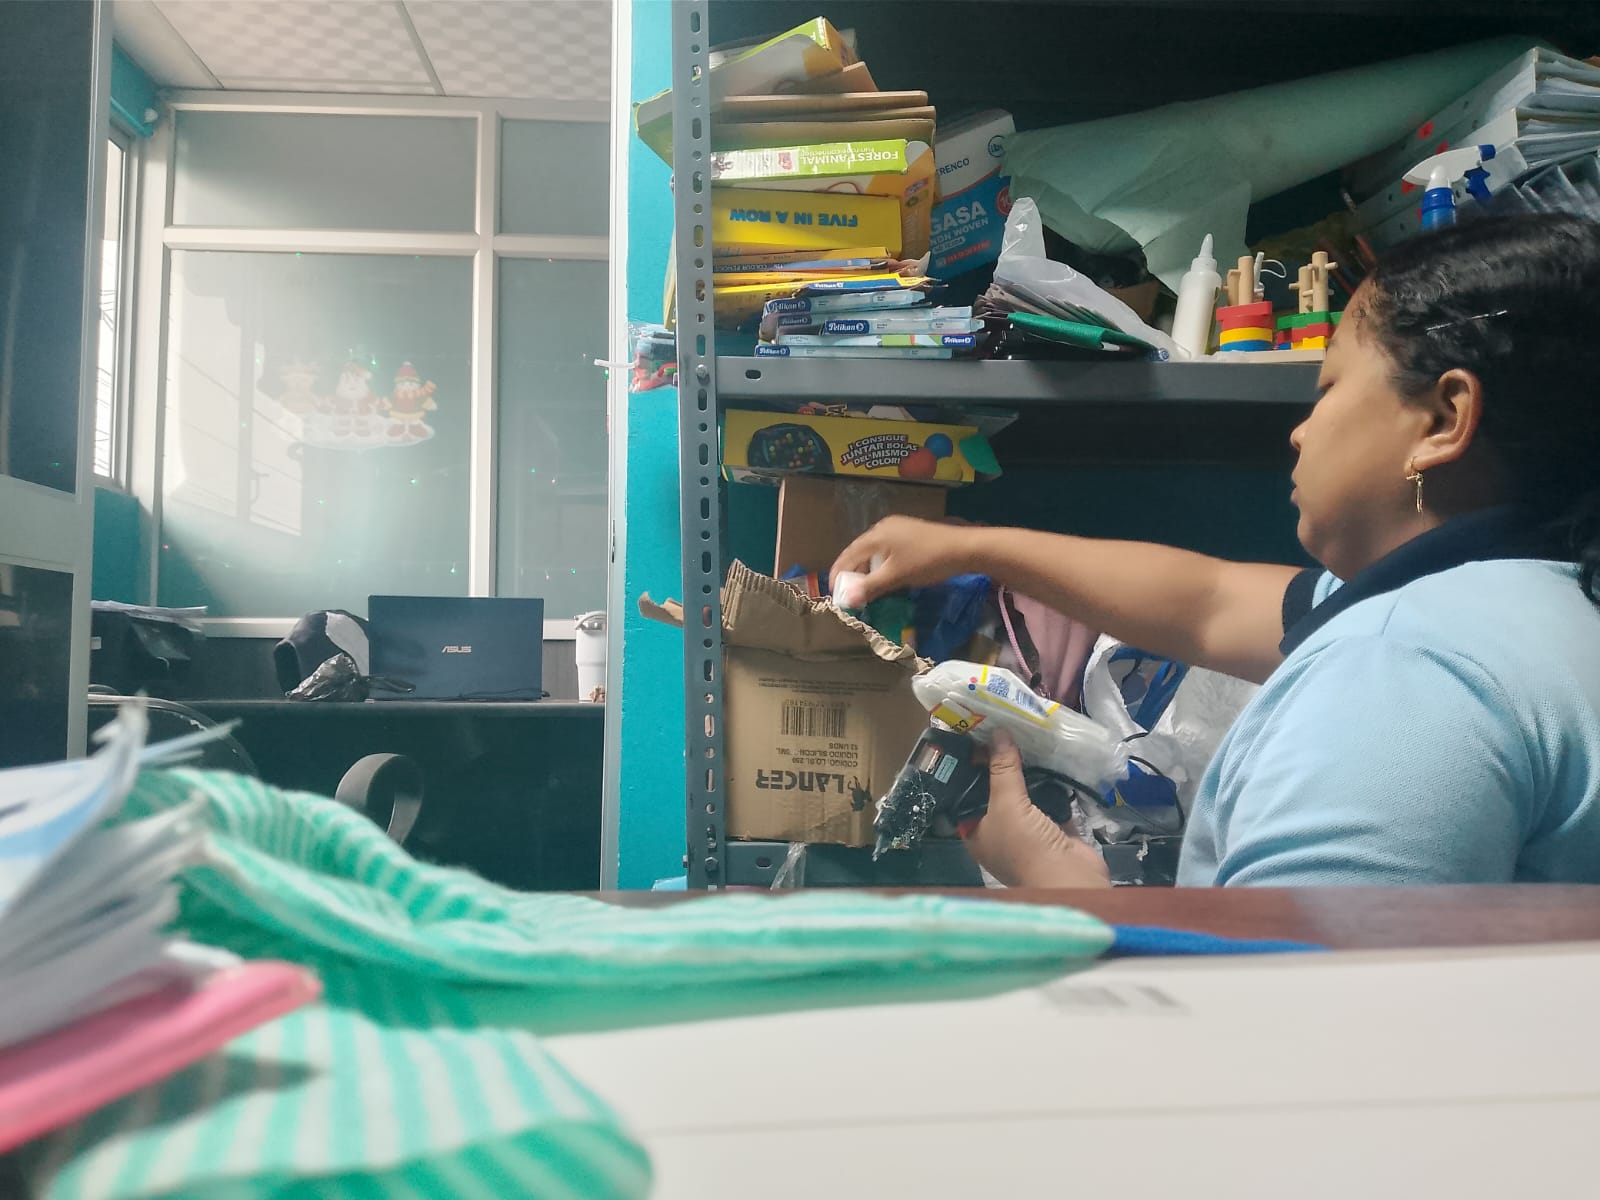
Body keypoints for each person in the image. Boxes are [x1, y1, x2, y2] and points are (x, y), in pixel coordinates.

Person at [831, 213, 1600, 887]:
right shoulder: (1529, 607)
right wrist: (973, 547)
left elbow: (1316, 992)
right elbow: (1210, 601)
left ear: (1442, 420)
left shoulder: (1405, 671)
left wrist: (1062, 889)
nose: (1301, 431)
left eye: (1330, 388)